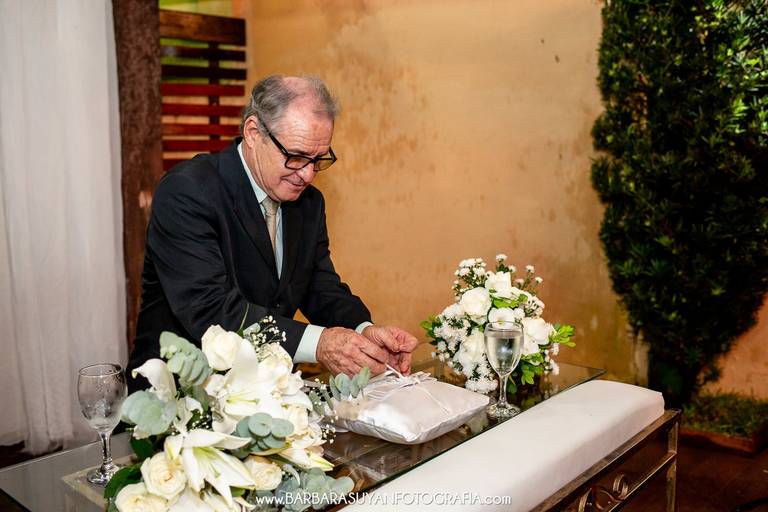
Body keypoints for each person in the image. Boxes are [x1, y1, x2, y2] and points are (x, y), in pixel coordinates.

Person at [127, 75, 418, 389]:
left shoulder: (308, 203)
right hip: (183, 394)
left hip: (267, 392)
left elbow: (319, 285)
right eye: (296, 156)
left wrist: (362, 331)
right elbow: (211, 310)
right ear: (253, 132)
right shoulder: (187, 191)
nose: (307, 174)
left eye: (318, 159)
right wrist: (321, 344)